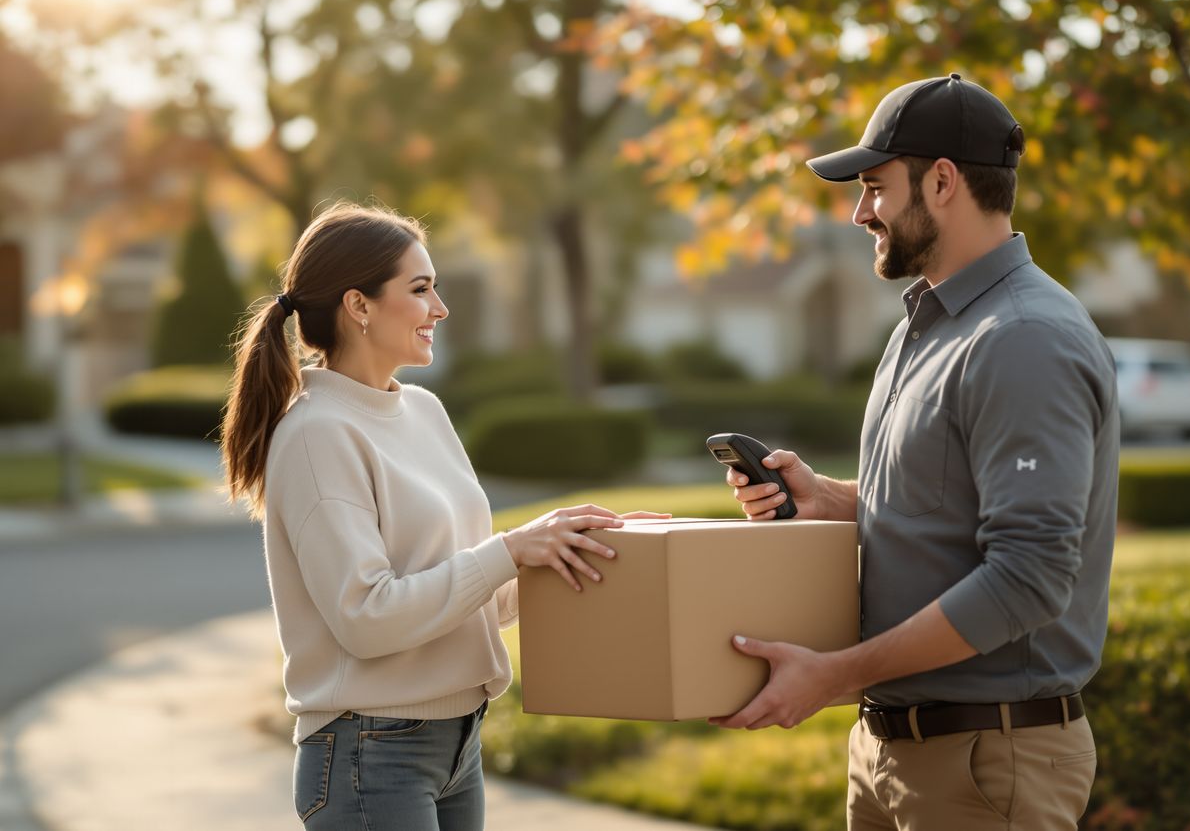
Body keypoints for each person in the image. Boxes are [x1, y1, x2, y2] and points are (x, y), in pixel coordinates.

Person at [712, 74, 1119, 830]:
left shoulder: (1023, 339)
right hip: (891, 753)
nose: (860, 211)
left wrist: (833, 674)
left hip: (987, 764)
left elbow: (1030, 576)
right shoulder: (924, 327)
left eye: (874, 187)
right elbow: (953, 504)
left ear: (941, 181)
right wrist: (830, 499)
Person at [221, 203, 664, 831]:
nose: (441, 308)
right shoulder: (317, 435)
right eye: (421, 288)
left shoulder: (424, 411)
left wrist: (569, 549)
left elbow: (467, 594)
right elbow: (367, 619)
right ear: (360, 306)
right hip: (368, 754)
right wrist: (510, 550)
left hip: (458, 744)